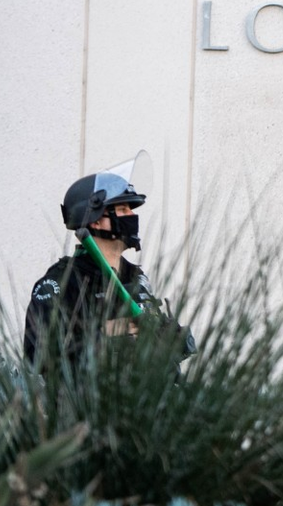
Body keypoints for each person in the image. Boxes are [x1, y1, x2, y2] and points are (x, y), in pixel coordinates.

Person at [24, 155, 191, 369]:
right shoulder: (61, 281)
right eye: (122, 210)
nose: (132, 215)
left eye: (131, 209)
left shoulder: (135, 277)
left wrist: (168, 338)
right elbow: (38, 353)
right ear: (95, 221)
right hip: (84, 401)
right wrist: (117, 328)